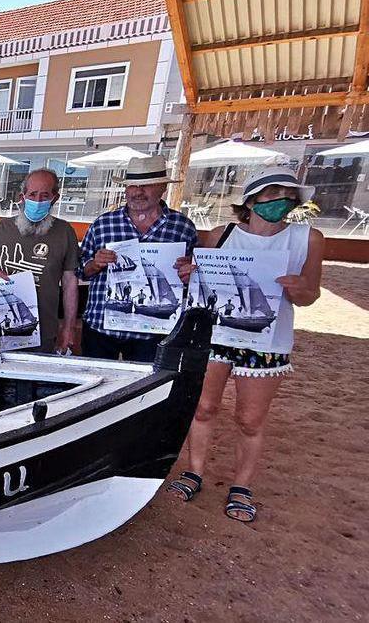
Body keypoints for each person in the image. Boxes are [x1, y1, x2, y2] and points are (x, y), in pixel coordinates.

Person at [169, 166, 324, 523]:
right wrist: (188, 272)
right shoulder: (221, 235)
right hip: (218, 334)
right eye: (271, 194)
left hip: (267, 341)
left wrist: (299, 288)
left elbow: (311, 294)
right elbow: (198, 280)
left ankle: (242, 485)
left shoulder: (307, 239)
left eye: (287, 195)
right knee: (204, 407)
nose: (280, 201)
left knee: (250, 419)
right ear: (251, 200)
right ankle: (194, 471)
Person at [76, 155, 197, 361]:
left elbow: (194, 280)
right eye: (132, 185)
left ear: (162, 188)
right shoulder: (103, 224)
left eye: (146, 185)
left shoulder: (182, 227)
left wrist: (189, 273)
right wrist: (95, 264)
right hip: (101, 325)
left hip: (154, 330)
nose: (138, 192)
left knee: (146, 390)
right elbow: (81, 270)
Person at [0, 168, 80, 354]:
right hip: (0, 329)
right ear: (22, 197)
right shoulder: (1, 229)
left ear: (54, 198)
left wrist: (68, 328)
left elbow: (70, 283)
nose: (38, 200)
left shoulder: (65, 232)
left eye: (45, 195)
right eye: (32, 194)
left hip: (44, 331)